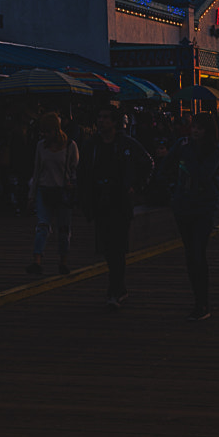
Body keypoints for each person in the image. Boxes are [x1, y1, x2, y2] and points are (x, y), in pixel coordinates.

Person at [82, 106, 153, 308]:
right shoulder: (91, 146)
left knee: (118, 247)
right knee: (106, 247)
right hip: (100, 200)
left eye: (105, 117)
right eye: (99, 117)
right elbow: (83, 172)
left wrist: (136, 186)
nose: (101, 121)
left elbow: (148, 163)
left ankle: (115, 289)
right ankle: (117, 287)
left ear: (114, 122)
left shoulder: (126, 144)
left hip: (120, 200)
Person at [171, 115, 219, 320]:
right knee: (189, 254)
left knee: (197, 253)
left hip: (204, 206)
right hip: (183, 204)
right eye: (193, 127)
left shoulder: (214, 150)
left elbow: (203, 173)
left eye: (200, 128)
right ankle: (198, 299)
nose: (195, 131)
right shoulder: (182, 144)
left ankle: (202, 303)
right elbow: (167, 164)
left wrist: (186, 156)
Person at [27, 111, 78, 276]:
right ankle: (37, 260)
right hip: (44, 189)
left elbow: (75, 169)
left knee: (63, 229)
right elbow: (36, 170)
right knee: (42, 226)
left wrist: (73, 183)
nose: (44, 135)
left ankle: (63, 261)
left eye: (47, 131)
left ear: (56, 130)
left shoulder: (71, 146)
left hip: (63, 190)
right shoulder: (40, 146)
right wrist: (31, 195)